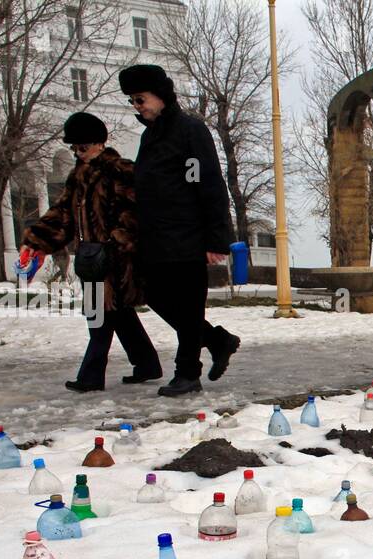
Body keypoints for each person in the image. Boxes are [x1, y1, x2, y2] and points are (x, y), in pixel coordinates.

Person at [119, 63, 240, 397]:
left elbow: (209, 184)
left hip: (188, 236)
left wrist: (216, 239)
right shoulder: (149, 137)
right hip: (156, 239)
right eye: (132, 101)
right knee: (155, 296)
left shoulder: (190, 131)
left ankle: (188, 374)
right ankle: (217, 340)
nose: (137, 106)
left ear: (160, 95)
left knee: (188, 307)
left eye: (140, 99)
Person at [20, 112, 161, 392]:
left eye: (82, 147)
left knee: (99, 317)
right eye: (74, 148)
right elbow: (62, 214)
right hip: (93, 259)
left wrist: (116, 242)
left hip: (118, 259)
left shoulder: (120, 171)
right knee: (118, 314)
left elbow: (139, 213)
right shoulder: (79, 177)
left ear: (99, 144)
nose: (78, 153)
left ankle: (91, 376)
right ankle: (146, 364)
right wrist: (37, 240)